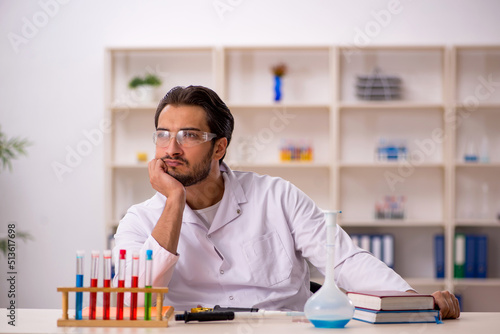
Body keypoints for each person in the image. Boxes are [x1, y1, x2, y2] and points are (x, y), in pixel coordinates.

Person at [113, 85, 460, 319]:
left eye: (188, 135)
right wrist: (174, 199)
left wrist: (413, 302)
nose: (171, 149)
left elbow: (344, 261)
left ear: (219, 147)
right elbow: (134, 298)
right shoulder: (140, 220)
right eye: (163, 135)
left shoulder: (278, 196)